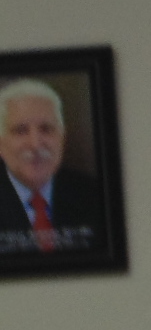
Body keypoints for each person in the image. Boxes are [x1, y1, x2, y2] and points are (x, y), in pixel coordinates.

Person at [0, 77, 108, 259]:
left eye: (46, 129)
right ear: (1, 144)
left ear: (62, 138)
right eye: (21, 130)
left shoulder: (96, 195)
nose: (35, 144)